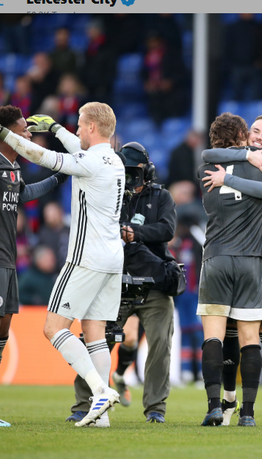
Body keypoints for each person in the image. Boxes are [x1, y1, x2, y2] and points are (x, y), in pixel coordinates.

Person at [0, 103, 125, 428]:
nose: (76, 130)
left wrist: (2, 133)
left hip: (86, 257)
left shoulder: (88, 161)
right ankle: (103, 417)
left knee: (53, 328)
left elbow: (42, 157)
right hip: (113, 257)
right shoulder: (114, 159)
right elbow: (75, 149)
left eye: (79, 125)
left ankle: (99, 390)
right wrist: (54, 129)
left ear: (92, 127)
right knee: (95, 333)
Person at [0, 105, 68, 427]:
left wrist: (59, 177)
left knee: (1, 334)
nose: (29, 134)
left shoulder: (14, 168)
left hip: (6, 262)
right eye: (24, 130)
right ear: (6, 134)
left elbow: (25, 194)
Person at [68, 141, 178, 425]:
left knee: (160, 346)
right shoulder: (109, 192)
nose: (131, 178)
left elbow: (167, 229)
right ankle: (83, 405)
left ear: (147, 171)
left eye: (135, 172)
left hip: (154, 283)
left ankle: (155, 409)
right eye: (127, 172)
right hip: (115, 282)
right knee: (95, 341)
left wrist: (134, 233)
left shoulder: (161, 196)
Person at [201, 114, 262, 427]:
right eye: (255, 131)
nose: (259, 138)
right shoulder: (248, 159)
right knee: (238, 332)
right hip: (248, 257)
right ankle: (232, 403)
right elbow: (214, 154)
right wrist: (245, 157)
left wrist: (228, 177)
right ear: (245, 135)